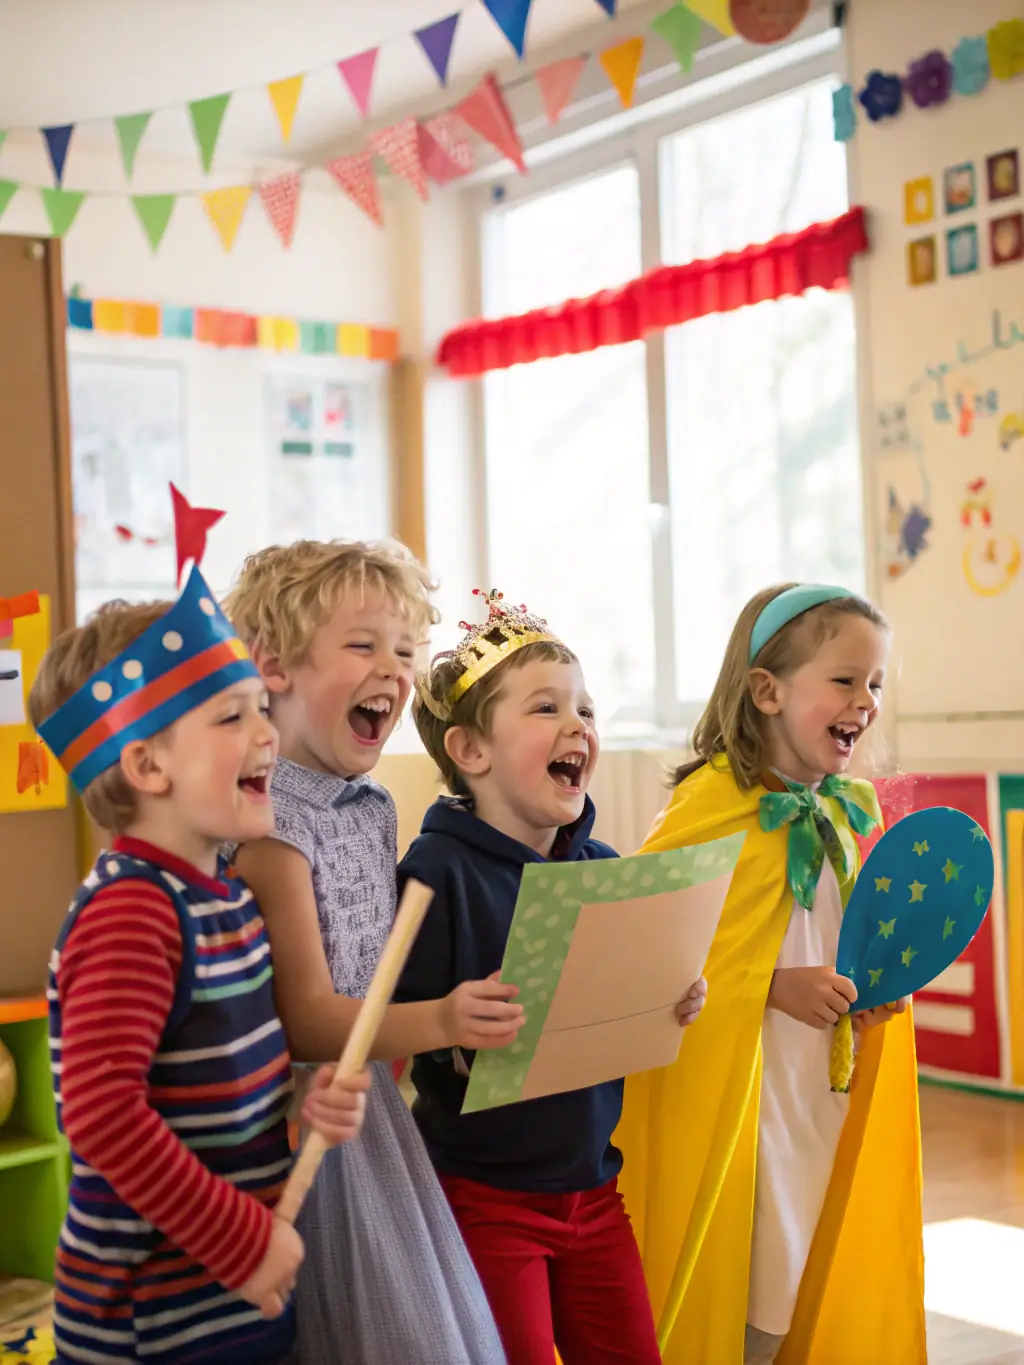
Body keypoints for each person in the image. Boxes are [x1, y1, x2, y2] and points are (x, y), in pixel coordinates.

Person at [31, 542, 369, 1365]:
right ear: (146, 763)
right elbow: (104, 1116)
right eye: (232, 716)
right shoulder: (133, 912)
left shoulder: (223, 899)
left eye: (262, 706)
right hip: (150, 1323)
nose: (267, 732)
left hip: (230, 1306)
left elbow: (211, 1102)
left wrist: (300, 1112)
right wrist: (241, 1238)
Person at [393, 590, 708, 1365]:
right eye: (546, 708)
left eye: (587, 710)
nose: (580, 727)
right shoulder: (435, 873)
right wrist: (450, 1019)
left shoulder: (601, 869)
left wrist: (668, 995)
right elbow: (395, 1033)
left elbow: (610, 1019)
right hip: (486, 1199)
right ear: (470, 751)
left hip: (595, 1190)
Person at [615, 583, 926, 1365]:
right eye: (846, 679)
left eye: (877, 683)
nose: (867, 701)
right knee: (754, 1271)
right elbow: (647, 958)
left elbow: (850, 936)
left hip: (820, 1090)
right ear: (766, 690)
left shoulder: (852, 810)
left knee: (812, 1264)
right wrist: (773, 986)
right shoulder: (710, 804)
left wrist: (869, 993)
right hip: (742, 1105)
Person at [226, 541, 518, 1365]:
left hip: (371, 1108)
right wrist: (442, 1017)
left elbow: (380, 974)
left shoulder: (373, 805)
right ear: (272, 664)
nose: (392, 669)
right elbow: (312, 1021)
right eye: (363, 645)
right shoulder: (272, 818)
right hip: (302, 1122)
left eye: (403, 649)